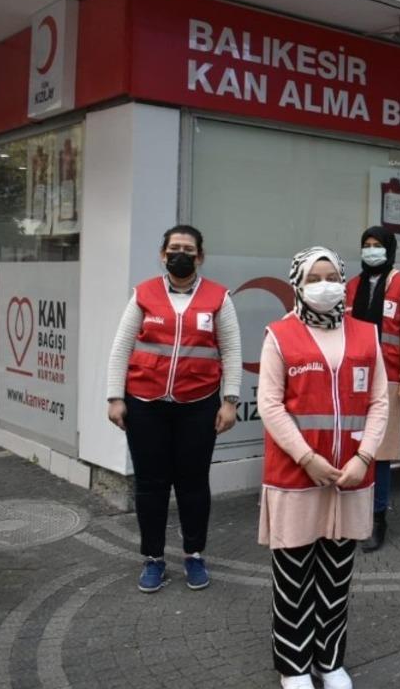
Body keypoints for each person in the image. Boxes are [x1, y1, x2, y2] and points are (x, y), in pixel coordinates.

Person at [257, 247, 388, 689]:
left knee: (335, 577)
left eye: (331, 275)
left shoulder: (367, 335)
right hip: (297, 476)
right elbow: (270, 405)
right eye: (314, 277)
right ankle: (293, 666)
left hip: (350, 478)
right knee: (292, 575)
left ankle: (328, 661)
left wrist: (364, 457)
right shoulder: (279, 335)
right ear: (297, 283)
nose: (324, 284)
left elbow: (379, 402)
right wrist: (308, 459)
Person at [105, 225, 242, 593]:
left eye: (188, 249)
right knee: (150, 485)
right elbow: (121, 348)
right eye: (174, 248)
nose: (180, 254)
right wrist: (114, 397)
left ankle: (194, 554)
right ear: (163, 254)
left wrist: (229, 401)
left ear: (200, 256)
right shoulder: (144, 294)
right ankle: (153, 559)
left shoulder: (218, 298)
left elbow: (230, 352)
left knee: (193, 484)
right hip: (146, 405)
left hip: (197, 406)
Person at [345, 226, 400, 553]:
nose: (371, 250)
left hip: (388, 378)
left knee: (381, 453)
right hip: (354, 377)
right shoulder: (352, 286)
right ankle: (352, 514)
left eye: (377, 245)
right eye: (367, 245)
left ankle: (378, 518)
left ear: (389, 250)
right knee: (353, 447)